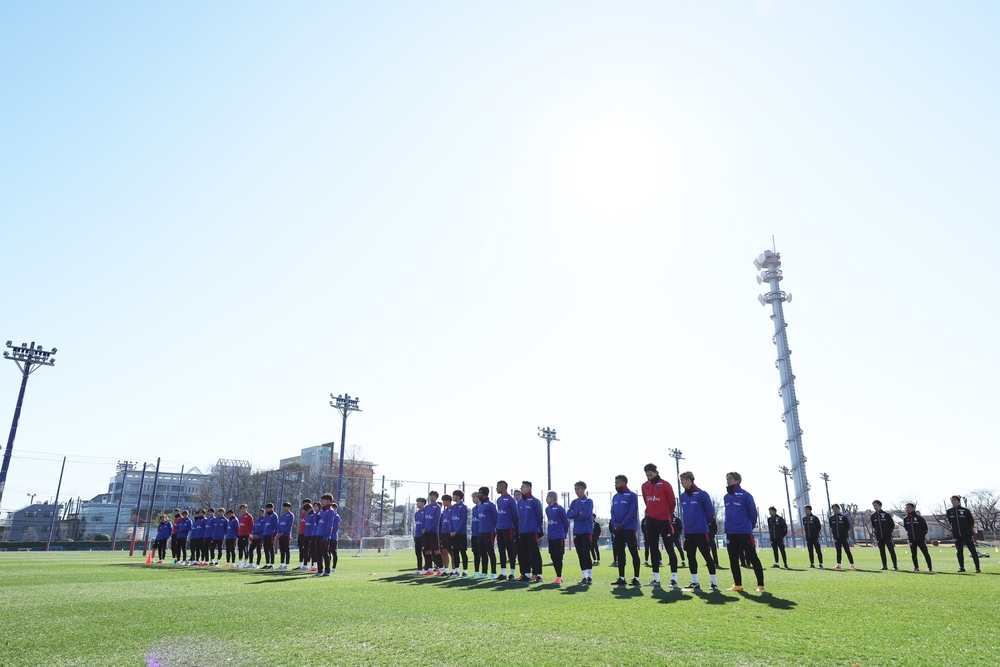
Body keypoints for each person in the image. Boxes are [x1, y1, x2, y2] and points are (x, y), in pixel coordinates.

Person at [723, 472, 765, 593]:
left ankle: (761, 585)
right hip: (731, 533)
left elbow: (753, 514)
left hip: (744, 532)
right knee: (733, 559)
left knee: (752, 557)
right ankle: (738, 585)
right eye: (727, 479)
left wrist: (747, 528)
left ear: (737, 481)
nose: (728, 481)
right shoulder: (726, 497)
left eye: (730, 479)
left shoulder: (746, 495)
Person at [677, 471, 719, 591]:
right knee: (690, 556)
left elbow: (710, 513)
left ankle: (714, 583)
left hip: (701, 531)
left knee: (707, 556)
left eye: (683, 480)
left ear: (689, 480)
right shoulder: (683, 496)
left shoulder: (702, 494)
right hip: (688, 532)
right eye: (680, 480)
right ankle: (695, 582)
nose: (681, 483)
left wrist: (702, 524)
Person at [640, 463, 680, 588]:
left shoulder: (665, 484)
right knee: (653, 549)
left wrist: (667, 515)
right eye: (647, 475)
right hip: (651, 521)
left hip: (664, 521)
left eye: (651, 474)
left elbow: (672, 502)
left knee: (669, 549)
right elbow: (646, 501)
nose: (649, 477)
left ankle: (674, 579)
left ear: (656, 472)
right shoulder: (644, 486)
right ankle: (656, 579)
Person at [611, 474, 641, 586]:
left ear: (623, 482)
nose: (615, 485)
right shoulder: (615, 497)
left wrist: (622, 524)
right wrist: (614, 523)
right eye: (615, 483)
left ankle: (636, 578)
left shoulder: (632, 496)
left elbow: (632, 513)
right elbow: (613, 512)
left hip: (629, 528)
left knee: (633, 552)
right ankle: (621, 578)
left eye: (617, 483)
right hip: (618, 530)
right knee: (620, 553)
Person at [567, 481, 595, 585]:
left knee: (586, 553)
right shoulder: (574, 502)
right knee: (580, 554)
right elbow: (568, 514)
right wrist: (578, 513)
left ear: (583, 489)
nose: (576, 491)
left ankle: (590, 577)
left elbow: (585, 515)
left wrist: (575, 515)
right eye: (575, 489)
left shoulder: (588, 501)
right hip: (577, 531)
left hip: (586, 531)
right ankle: (585, 576)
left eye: (578, 489)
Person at [516, 481, 544, 583]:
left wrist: (535, 527)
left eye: (523, 487)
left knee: (535, 552)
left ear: (528, 488)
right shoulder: (520, 502)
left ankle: (538, 574)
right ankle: (526, 574)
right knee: (524, 553)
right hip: (522, 532)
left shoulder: (535, 501)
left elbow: (539, 517)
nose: (521, 488)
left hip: (532, 531)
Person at [946, 495, 980, 573]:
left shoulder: (965, 511)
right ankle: (961, 567)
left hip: (967, 534)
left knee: (972, 550)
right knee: (959, 551)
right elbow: (950, 522)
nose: (953, 502)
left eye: (955, 500)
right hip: (956, 535)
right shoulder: (949, 511)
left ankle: (977, 568)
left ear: (959, 501)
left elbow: (971, 522)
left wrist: (967, 530)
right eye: (952, 500)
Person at [545, 491, 570, 585]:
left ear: (553, 498)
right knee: (553, 556)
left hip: (559, 536)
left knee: (559, 556)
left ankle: (559, 576)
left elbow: (566, 522)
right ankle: (558, 576)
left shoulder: (560, 508)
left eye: (548, 497)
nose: (546, 498)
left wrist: (563, 533)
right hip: (551, 536)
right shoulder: (547, 509)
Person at [495, 481, 518, 581]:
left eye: (498, 486)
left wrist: (515, 528)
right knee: (501, 550)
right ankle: (503, 573)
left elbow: (515, 515)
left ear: (503, 487)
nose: (497, 488)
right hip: (499, 528)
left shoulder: (510, 500)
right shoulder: (499, 499)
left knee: (510, 550)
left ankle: (512, 573)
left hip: (508, 528)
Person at [902, 502, 932, 573]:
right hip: (912, 539)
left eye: (908, 507)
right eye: (906, 508)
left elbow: (925, 528)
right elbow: (906, 528)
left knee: (925, 553)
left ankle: (929, 567)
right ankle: (916, 567)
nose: (907, 509)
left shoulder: (919, 518)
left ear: (913, 508)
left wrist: (920, 535)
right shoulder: (906, 519)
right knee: (913, 554)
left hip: (920, 539)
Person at [476, 487, 498, 579]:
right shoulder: (480, 505)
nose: (478, 495)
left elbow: (496, 518)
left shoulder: (490, 505)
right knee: (483, 553)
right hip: (481, 532)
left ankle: (493, 573)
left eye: (480, 493)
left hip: (489, 532)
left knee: (490, 552)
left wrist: (494, 529)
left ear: (484, 494)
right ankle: (484, 572)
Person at [870, 501, 898, 571]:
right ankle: (884, 566)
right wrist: (877, 532)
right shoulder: (873, 516)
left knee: (891, 551)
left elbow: (892, 525)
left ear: (880, 506)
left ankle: (895, 566)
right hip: (879, 537)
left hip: (887, 536)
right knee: (882, 552)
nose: (875, 507)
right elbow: (874, 525)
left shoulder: (886, 515)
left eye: (876, 505)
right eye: (874, 506)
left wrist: (888, 532)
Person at [448, 489, 469, 576]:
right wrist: (451, 531)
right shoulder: (453, 507)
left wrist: (456, 531)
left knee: (462, 552)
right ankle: (456, 571)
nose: (453, 497)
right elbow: (450, 520)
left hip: (461, 534)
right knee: (455, 552)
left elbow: (463, 521)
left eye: (454, 495)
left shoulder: (464, 507)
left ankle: (465, 571)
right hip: (453, 534)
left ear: (458, 496)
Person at [422, 491, 443, 575]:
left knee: (436, 550)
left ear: (436, 497)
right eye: (431, 496)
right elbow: (423, 519)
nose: (432, 497)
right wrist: (423, 528)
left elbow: (436, 520)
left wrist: (429, 529)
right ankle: (429, 569)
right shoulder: (426, 507)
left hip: (433, 532)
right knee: (427, 550)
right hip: (426, 532)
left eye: (433, 496)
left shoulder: (437, 507)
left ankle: (440, 569)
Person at [829, 504, 855, 570]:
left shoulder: (843, 517)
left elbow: (848, 526)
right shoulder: (831, 518)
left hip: (844, 537)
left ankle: (852, 564)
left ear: (839, 509)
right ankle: (838, 564)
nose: (835, 510)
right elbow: (831, 526)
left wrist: (844, 532)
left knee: (847, 551)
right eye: (833, 508)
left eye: (836, 508)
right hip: (836, 537)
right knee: (838, 551)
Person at [260, 503, 278, 569]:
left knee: (271, 549)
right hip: (265, 534)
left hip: (271, 534)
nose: (267, 509)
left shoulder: (274, 515)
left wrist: (275, 534)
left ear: (272, 508)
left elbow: (276, 525)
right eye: (266, 508)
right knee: (266, 549)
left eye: (268, 508)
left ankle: (272, 564)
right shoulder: (266, 516)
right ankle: (267, 563)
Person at [277, 502, 294, 570]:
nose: (284, 508)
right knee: (282, 550)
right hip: (280, 535)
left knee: (287, 550)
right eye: (284, 507)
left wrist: (283, 532)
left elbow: (289, 525)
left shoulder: (291, 515)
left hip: (286, 535)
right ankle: (282, 564)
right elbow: (279, 525)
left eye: (286, 507)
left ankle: (287, 564)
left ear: (289, 507)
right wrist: (279, 532)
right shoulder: (282, 516)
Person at [440, 494, 454, 574]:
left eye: (445, 500)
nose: (444, 502)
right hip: (444, 533)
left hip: (450, 533)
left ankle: (454, 570)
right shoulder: (444, 511)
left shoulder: (453, 509)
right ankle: (446, 570)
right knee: (444, 551)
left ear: (449, 501)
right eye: (443, 500)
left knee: (452, 552)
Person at [303, 502, 319, 572]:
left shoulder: (314, 515)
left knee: (313, 551)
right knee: (305, 550)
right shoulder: (307, 515)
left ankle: (314, 565)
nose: (306, 512)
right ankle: (306, 565)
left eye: (306, 510)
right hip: (306, 535)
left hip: (312, 535)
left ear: (310, 509)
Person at [298, 499, 312, 571]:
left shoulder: (311, 514)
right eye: (303, 503)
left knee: (307, 550)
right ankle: (301, 565)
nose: (304, 504)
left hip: (307, 534)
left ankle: (307, 564)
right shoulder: (303, 513)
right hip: (301, 533)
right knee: (301, 549)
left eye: (306, 503)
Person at [413, 497, 426, 574]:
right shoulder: (416, 513)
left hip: (423, 536)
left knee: (425, 552)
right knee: (418, 553)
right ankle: (419, 569)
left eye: (419, 502)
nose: (417, 504)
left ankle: (427, 568)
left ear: (423, 503)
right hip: (417, 535)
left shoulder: (425, 512)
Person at [470, 492, 482, 576]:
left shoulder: (482, 507)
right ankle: (476, 571)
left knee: (482, 553)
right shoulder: (474, 509)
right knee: (475, 553)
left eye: (474, 497)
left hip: (481, 533)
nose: (473, 499)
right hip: (474, 534)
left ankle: (484, 572)